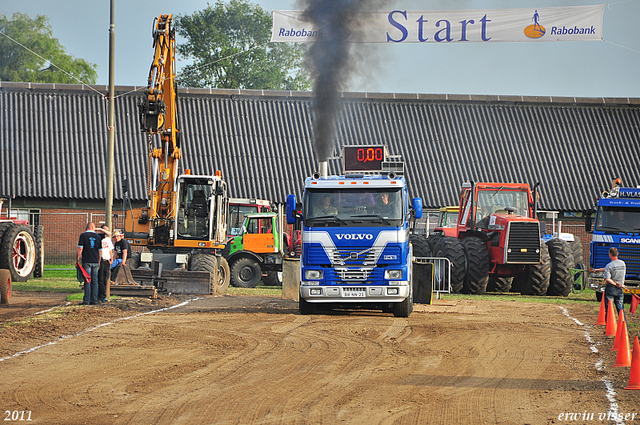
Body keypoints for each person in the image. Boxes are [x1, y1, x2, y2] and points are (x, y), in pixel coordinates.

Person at [594, 247, 626, 322]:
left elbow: (608, 279)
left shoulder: (609, 265)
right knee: (621, 309)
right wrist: (599, 270)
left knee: (609, 309)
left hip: (611, 288)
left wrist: (614, 284)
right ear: (617, 254)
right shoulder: (622, 263)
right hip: (620, 288)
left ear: (610, 254)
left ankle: (609, 328)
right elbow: (608, 268)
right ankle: (625, 328)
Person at [77, 222, 102, 305]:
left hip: (86, 260)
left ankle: (86, 300)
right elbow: (100, 250)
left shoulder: (83, 236)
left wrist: (77, 259)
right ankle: (94, 299)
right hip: (95, 261)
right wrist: (99, 261)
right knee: (95, 280)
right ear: (92, 227)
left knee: (87, 280)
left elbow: (80, 248)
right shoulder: (98, 237)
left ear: (87, 227)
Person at [97, 224, 114, 303]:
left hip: (107, 260)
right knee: (100, 278)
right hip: (101, 260)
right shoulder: (99, 238)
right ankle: (99, 295)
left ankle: (103, 295)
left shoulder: (108, 240)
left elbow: (110, 249)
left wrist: (111, 259)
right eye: (105, 230)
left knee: (106, 278)